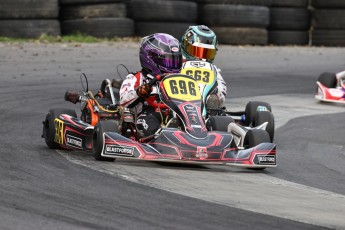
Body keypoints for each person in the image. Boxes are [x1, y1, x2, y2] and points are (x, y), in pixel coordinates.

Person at [119, 33, 183, 138]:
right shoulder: (136, 78)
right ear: (150, 59)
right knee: (150, 120)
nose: (172, 66)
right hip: (147, 114)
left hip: (176, 112)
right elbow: (124, 100)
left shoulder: (180, 80)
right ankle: (162, 139)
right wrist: (139, 92)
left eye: (174, 60)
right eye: (167, 61)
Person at [181, 25, 227, 110]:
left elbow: (222, 88)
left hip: (206, 104)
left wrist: (217, 93)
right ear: (186, 46)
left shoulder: (213, 69)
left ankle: (208, 109)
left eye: (207, 53)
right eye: (197, 51)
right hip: (180, 100)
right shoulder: (177, 65)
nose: (202, 58)